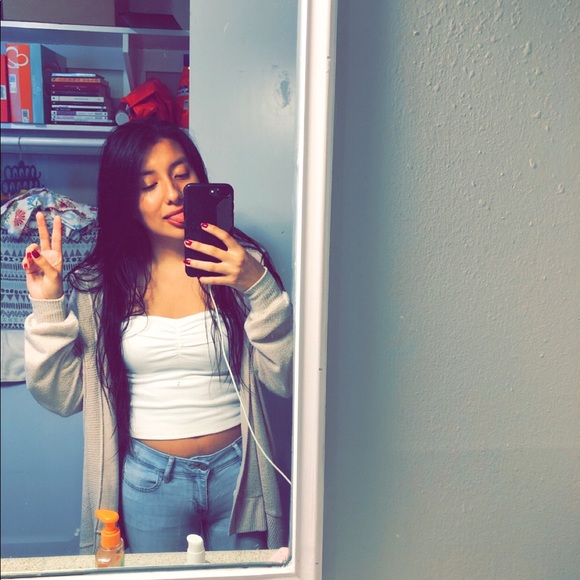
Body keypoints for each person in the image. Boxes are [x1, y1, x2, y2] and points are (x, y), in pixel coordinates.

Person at [22, 118, 293, 555]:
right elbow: (64, 396)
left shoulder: (241, 265)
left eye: (182, 175)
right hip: (150, 480)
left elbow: (286, 376)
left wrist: (258, 286)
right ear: (127, 202)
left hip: (239, 474)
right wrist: (49, 304)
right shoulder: (100, 286)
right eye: (148, 185)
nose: (172, 194)